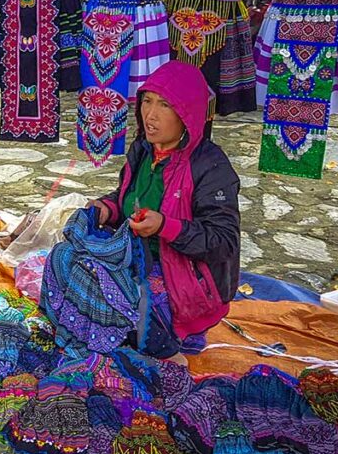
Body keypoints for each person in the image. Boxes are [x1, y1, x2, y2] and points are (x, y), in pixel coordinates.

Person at [89, 60, 241, 360]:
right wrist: (106, 208)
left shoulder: (209, 166)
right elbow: (127, 198)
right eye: (147, 101)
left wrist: (165, 227)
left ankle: (181, 333)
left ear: (187, 114)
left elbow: (224, 242)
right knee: (67, 261)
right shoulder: (144, 150)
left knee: (134, 300)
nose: (151, 115)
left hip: (187, 279)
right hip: (141, 258)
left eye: (165, 105)